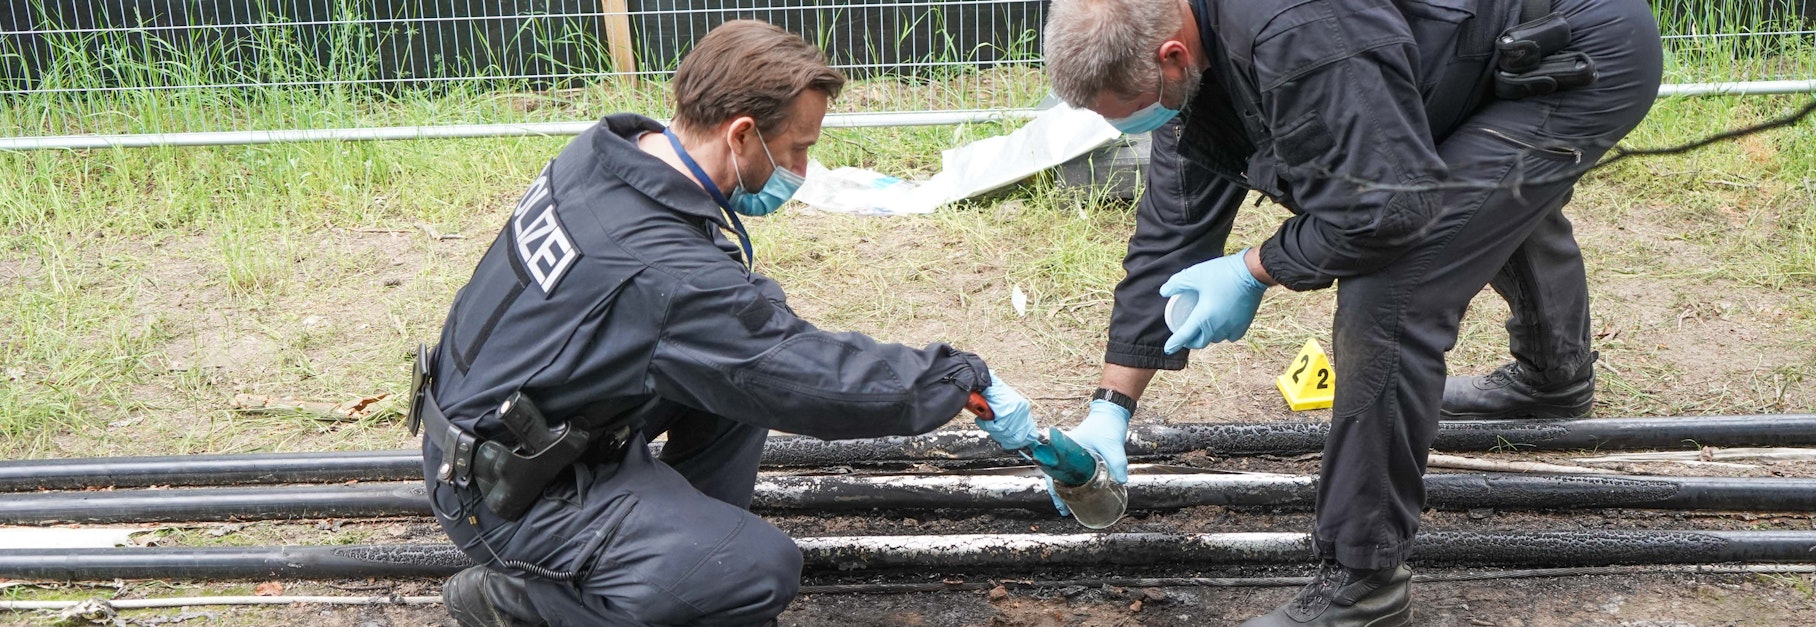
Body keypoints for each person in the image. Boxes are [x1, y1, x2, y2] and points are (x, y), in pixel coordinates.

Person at [1040, 0, 1660, 624]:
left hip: (1580, 46)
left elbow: (1383, 214)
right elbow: (1171, 233)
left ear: (1172, 55)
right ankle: (1555, 379)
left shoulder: (1300, 34)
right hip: (1471, 49)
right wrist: (1109, 408)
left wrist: (1252, 268)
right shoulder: (1193, 49)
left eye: (1137, 110)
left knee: (1394, 291)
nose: (1145, 124)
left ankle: (1364, 583)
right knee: (1474, 196)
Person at [410, 20, 1042, 627]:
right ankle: (517, 597)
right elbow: (812, 379)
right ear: (741, 135)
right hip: (499, 494)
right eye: (798, 148)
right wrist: (954, 378)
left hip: (500, 424)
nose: (800, 168)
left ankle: (680, 544)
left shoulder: (609, 158)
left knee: (739, 371)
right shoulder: (664, 273)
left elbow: (749, 343)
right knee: (757, 572)